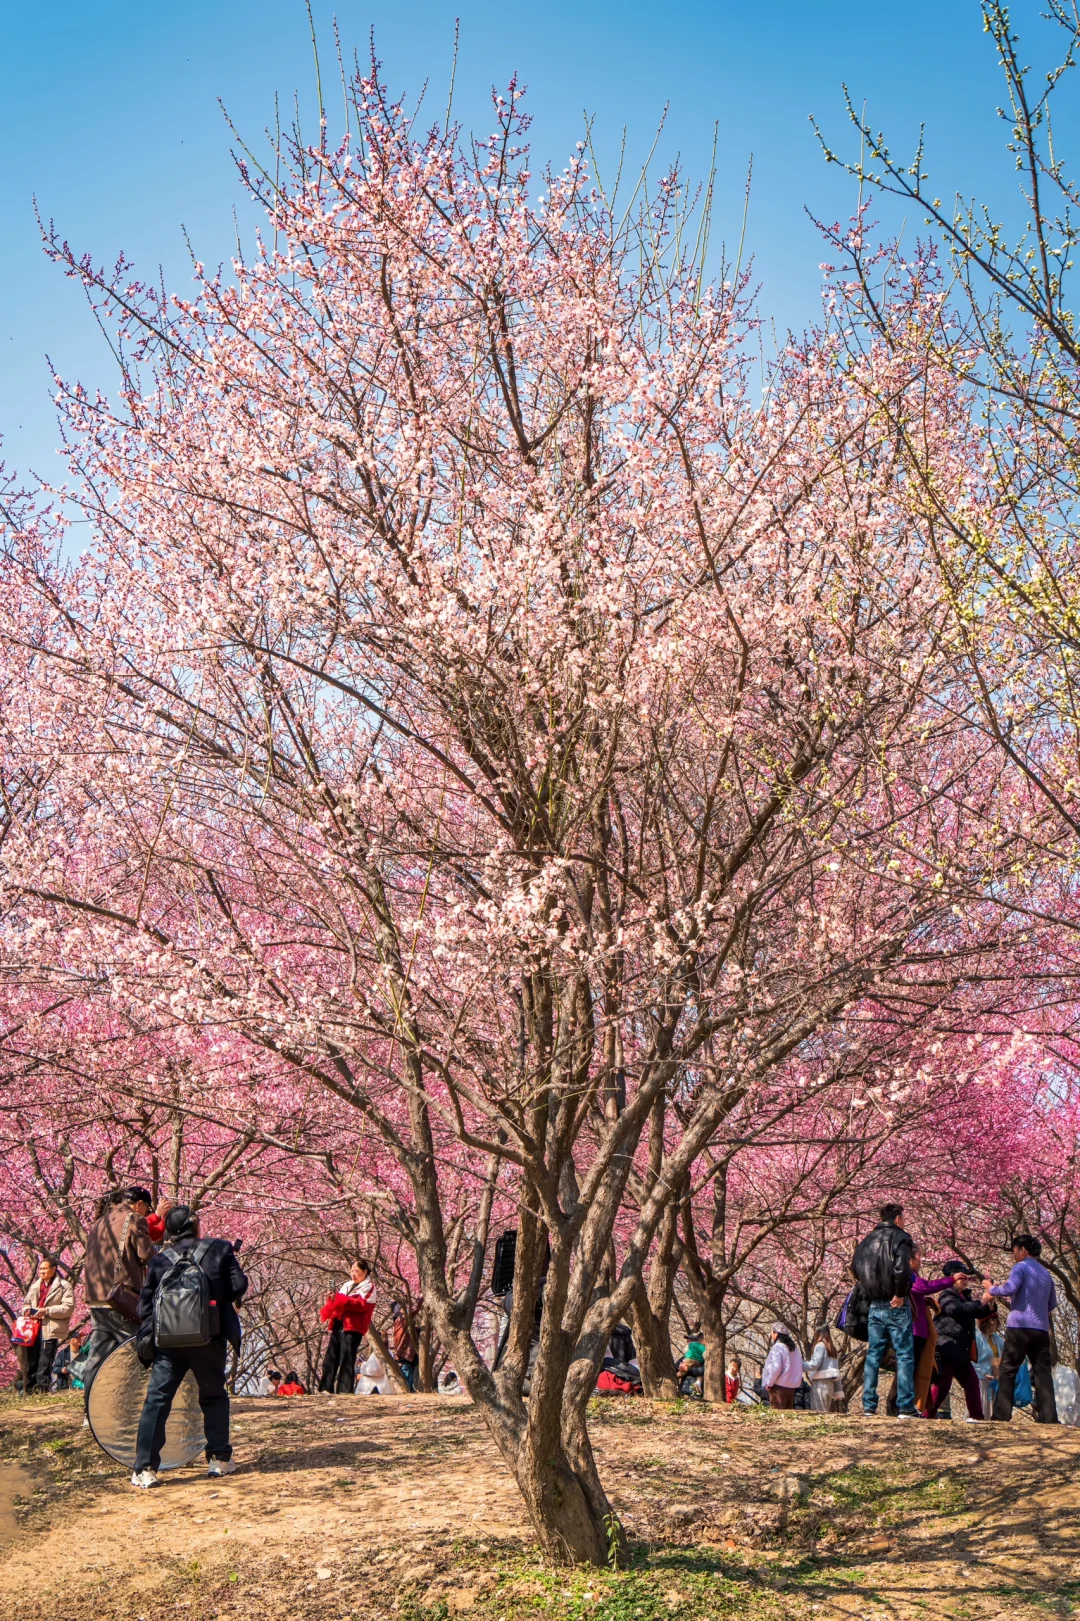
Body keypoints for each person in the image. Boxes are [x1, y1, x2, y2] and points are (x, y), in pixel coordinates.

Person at [130, 1204, 248, 1488]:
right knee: (214, 1396)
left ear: (168, 1231)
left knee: (157, 1401)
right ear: (195, 1227)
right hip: (209, 1338)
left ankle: (145, 1468)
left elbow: (144, 1307)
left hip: (169, 1344)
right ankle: (219, 1460)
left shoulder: (159, 1261)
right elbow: (239, 1284)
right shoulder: (220, 1249)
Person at [82, 1186, 170, 1394]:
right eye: (146, 1209)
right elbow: (146, 1255)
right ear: (139, 1204)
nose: (146, 1214)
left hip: (97, 1298)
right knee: (136, 1348)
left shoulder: (99, 1223)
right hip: (121, 1298)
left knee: (98, 1353)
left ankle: (90, 1405)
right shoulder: (134, 1219)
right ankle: (133, 1401)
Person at [852, 1202, 918, 1419]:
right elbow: (902, 1268)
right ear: (897, 1218)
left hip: (874, 1305)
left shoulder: (866, 1242)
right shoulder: (901, 1238)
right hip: (895, 1303)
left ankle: (869, 1406)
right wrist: (899, 1294)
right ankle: (906, 1406)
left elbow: (855, 1268)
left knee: (873, 1354)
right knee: (905, 1354)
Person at [989, 1234, 1059, 1424]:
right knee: (1042, 1372)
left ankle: (1002, 1415)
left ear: (1023, 1250)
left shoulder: (1020, 1267)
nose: (1013, 1255)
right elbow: (1052, 1302)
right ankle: (1050, 1417)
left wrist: (991, 1289)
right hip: (1041, 1329)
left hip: (1019, 1327)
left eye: (1014, 1251)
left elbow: (1010, 1289)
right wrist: (1038, 1310)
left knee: (1009, 1369)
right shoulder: (1046, 1274)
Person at [927, 1262, 995, 1421]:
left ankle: (977, 1416)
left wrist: (990, 1302)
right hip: (947, 1348)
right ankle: (926, 1414)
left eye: (966, 1278)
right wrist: (982, 1302)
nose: (965, 1281)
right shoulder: (947, 1295)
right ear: (953, 1278)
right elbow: (956, 1310)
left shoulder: (966, 1297)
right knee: (942, 1386)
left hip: (962, 1350)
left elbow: (978, 1311)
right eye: (962, 1277)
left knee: (972, 1383)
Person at [22, 1259, 74, 1393]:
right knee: (31, 1358)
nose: (41, 1272)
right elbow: (26, 1303)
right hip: (32, 1328)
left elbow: (68, 1308)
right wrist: (27, 1310)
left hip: (50, 1327)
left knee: (45, 1358)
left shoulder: (64, 1286)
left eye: (44, 1269)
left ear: (54, 1269)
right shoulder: (35, 1286)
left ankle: (42, 1389)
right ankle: (29, 1389)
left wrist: (47, 1311)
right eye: (40, 1269)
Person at [325, 1261, 376, 1395]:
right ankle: (325, 1387)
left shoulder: (369, 1287)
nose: (353, 1274)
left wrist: (341, 1300)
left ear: (365, 1272)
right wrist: (333, 1298)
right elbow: (338, 1303)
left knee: (347, 1358)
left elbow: (361, 1305)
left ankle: (344, 1390)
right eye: (352, 1270)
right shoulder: (347, 1285)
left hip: (353, 1326)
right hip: (339, 1323)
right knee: (331, 1357)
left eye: (357, 1271)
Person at [760, 1326, 804, 1410]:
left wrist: (769, 1383)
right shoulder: (795, 1349)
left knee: (778, 1417)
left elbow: (776, 1368)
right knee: (788, 1417)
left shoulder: (777, 1347)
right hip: (791, 1388)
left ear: (776, 1334)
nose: (771, 1335)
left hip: (778, 1387)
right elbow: (800, 1366)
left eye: (772, 1332)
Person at [806, 1328, 844, 1413]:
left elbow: (815, 1363)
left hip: (819, 1384)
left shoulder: (820, 1346)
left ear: (819, 1333)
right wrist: (838, 1390)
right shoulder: (832, 1348)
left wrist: (801, 1365)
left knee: (818, 1413)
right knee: (825, 1412)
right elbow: (837, 1371)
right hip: (830, 1385)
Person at [317, 1291, 345, 1392]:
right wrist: (331, 1300)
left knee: (344, 1361)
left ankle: (342, 1389)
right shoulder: (345, 1287)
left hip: (347, 1326)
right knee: (329, 1361)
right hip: (337, 1327)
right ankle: (325, 1387)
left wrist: (338, 1299)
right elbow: (325, 1315)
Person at [390, 1301, 418, 1392]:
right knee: (407, 1382)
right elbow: (414, 1310)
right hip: (406, 1355)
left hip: (404, 1355)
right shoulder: (401, 1318)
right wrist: (421, 1298)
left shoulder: (398, 1321)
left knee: (408, 1379)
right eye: (399, 1308)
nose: (402, 1309)